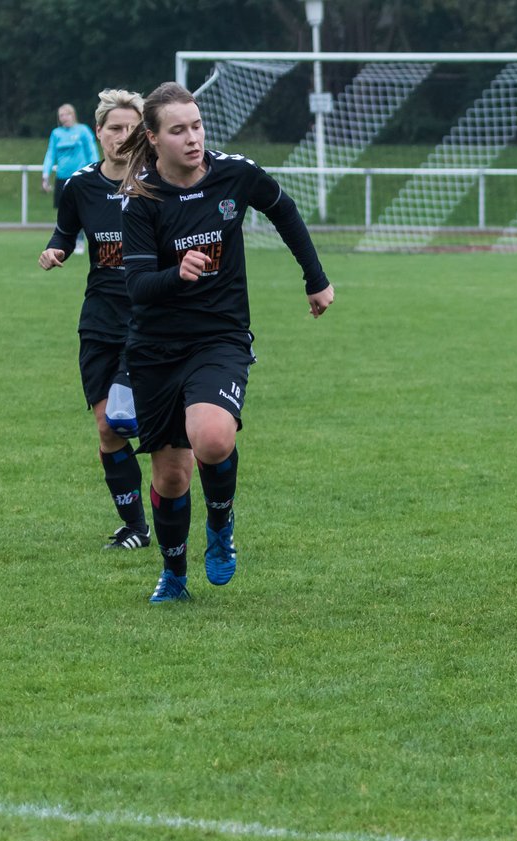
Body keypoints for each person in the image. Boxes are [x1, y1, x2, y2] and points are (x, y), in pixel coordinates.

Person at [115, 82, 335, 603]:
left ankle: (220, 525)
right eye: (178, 130)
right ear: (153, 137)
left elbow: (283, 209)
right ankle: (174, 576)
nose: (193, 138)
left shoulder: (235, 173)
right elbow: (139, 289)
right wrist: (178, 273)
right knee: (171, 476)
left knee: (212, 437)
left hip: (220, 337)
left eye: (196, 125)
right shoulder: (140, 201)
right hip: (155, 349)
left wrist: (315, 277)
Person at [37, 89, 151, 550]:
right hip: (99, 321)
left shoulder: (159, 184)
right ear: (98, 132)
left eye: (131, 129)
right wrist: (54, 251)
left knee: (130, 420)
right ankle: (136, 528)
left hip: (149, 322)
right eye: (114, 129)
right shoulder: (80, 185)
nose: (122, 137)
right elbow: (65, 233)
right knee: (107, 427)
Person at [43, 103, 100, 253]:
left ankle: (81, 240)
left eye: (66, 114)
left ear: (72, 114)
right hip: (62, 177)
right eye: (61, 115)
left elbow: (92, 152)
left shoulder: (83, 131)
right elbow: (50, 155)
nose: (63, 118)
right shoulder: (56, 133)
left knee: (81, 209)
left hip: (80, 178)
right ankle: (65, 240)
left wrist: (96, 172)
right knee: (64, 210)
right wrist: (45, 175)